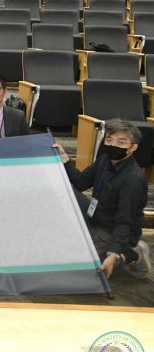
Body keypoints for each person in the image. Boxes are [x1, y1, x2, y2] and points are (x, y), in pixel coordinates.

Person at [55, 119, 149, 278]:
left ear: (133, 147)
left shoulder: (133, 179)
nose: (113, 145)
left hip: (112, 231)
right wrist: (65, 159)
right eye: (109, 140)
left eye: (121, 142)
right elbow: (81, 182)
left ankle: (132, 253)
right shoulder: (105, 159)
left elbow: (124, 220)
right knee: (64, 188)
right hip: (95, 215)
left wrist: (113, 253)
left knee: (80, 269)